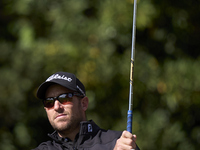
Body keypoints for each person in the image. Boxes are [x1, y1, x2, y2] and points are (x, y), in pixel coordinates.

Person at [32, 71, 140, 150]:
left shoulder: (119, 142)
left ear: (84, 103)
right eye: (49, 102)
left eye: (64, 98)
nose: (56, 107)